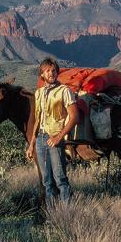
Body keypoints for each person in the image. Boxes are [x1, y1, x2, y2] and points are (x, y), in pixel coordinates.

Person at [26, 57, 79, 204]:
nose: (51, 73)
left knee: (60, 179)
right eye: (48, 70)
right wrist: (31, 144)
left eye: (54, 70)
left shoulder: (64, 91)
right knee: (46, 181)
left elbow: (74, 117)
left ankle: (66, 214)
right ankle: (51, 214)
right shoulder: (39, 93)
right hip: (41, 139)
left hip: (55, 138)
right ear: (42, 74)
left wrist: (58, 137)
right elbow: (38, 119)